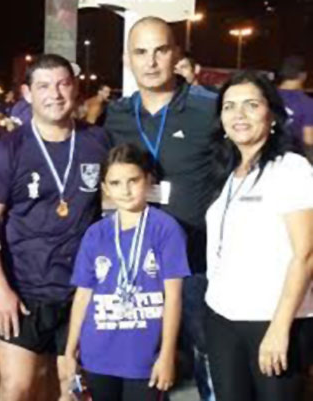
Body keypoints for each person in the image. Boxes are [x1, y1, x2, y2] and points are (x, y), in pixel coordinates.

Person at [0, 54, 110, 401]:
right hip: (24, 289)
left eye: (63, 84)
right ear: (27, 93)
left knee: (72, 389)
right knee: (16, 388)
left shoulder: (98, 142)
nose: (55, 94)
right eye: (44, 86)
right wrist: (0, 288)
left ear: (75, 88)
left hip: (81, 291)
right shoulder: (8, 149)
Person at [104, 16, 218, 401]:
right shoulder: (116, 114)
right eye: (140, 52)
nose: (150, 62)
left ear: (176, 54)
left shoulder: (210, 109)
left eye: (160, 50)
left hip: (197, 265)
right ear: (127, 59)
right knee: (147, 370)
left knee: (208, 359)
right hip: (137, 269)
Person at [205, 70, 313, 401]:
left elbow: (306, 254)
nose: (239, 114)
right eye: (229, 106)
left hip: (274, 320)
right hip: (222, 317)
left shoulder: (290, 169)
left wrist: (279, 328)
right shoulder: (229, 173)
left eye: (251, 105)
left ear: (273, 115)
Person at [64, 143, 189, 401]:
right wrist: (69, 350)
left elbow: (174, 297)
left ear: (148, 180)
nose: (126, 190)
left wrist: (167, 354)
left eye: (133, 180)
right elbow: (83, 295)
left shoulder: (166, 229)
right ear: (105, 188)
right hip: (97, 355)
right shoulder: (96, 234)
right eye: (116, 183)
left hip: (144, 359)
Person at [276, 55, 313, 161]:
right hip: (292, 158)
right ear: (303, 76)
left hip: (265, 155)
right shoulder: (307, 103)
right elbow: (308, 139)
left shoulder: (266, 96)